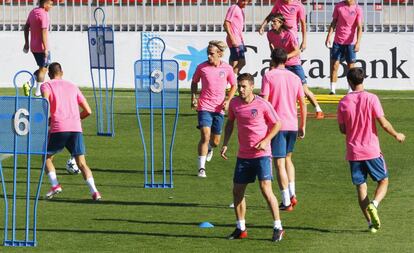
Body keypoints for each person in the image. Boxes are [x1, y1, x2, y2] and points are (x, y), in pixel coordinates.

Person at [337, 67, 405, 233]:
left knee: (361, 188)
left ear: (349, 82)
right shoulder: (372, 98)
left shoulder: (343, 102)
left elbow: (343, 129)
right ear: (363, 80)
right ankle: (374, 204)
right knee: (384, 181)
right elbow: (383, 123)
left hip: (354, 152)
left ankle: (370, 224)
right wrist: (396, 134)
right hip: (371, 150)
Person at [221, 73, 284, 242]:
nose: (240, 89)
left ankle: (278, 226)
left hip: (262, 155)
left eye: (243, 86)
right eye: (239, 86)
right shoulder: (234, 104)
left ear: (251, 87)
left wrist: (266, 140)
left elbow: (277, 123)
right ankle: (241, 228)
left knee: (265, 189)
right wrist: (225, 143)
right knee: (237, 192)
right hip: (243, 155)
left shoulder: (262, 104)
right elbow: (230, 123)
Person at [41, 62, 102, 201]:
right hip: (75, 128)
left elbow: (44, 102)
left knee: (46, 157)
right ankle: (95, 192)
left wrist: (48, 119)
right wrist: (75, 118)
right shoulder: (73, 86)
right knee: (82, 164)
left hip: (58, 127)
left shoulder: (47, 85)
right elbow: (88, 111)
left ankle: (55, 185)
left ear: (49, 74)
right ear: (62, 72)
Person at [260, 48, 307, 211]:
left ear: (272, 59)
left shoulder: (268, 76)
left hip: (277, 125)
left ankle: (286, 200)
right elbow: (302, 102)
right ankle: (292, 193)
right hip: (292, 124)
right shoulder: (295, 77)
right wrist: (303, 125)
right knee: (288, 159)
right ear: (286, 60)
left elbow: (264, 102)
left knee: (279, 163)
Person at [191, 40, 237, 178]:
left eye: (211, 54)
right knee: (205, 135)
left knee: (216, 141)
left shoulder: (227, 69)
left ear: (220, 54)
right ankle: (201, 168)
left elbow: (234, 85)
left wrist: (228, 100)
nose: (209, 57)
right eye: (208, 54)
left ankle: (210, 148)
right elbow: (194, 82)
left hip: (219, 108)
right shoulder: (201, 67)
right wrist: (193, 97)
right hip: (204, 106)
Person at [267, 13, 324, 119]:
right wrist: (274, 58)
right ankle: (272, 110)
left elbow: (297, 51)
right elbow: (271, 45)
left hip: (294, 64)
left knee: (304, 90)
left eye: (274, 21)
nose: (272, 24)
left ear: (280, 23)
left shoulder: (289, 34)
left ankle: (318, 109)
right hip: (281, 65)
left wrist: (283, 57)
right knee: (276, 88)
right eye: (271, 21)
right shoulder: (270, 34)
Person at [325, 0, 363, 95]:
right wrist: (328, 36)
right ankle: (332, 90)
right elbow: (334, 22)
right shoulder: (339, 6)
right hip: (338, 41)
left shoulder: (357, 9)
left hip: (350, 42)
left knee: (351, 68)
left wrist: (358, 42)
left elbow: (359, 27)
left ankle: (350, 90)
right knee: (334, 65)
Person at [23, 0, 53, 97]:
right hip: (41, 46)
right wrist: (45, 48)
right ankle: (37, 91)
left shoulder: (33, 12)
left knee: (42, 67)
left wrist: (27, 43)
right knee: (44, 68)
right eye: (50, 4)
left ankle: (29, 83)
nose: (51, 7)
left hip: (33, 46)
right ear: (45, 4)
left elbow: (26, 27)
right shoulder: (44, 14)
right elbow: (44, 31)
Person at [223, 0, 249, 75]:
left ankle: (230, 80)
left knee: (234, 62)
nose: (245, 3)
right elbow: (226, 23)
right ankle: (232, 79)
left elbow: (239, 29)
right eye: (244, 1)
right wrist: (232, 38)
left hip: (238, 39)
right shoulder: (234, 8)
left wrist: (242, 42)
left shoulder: (240, 10)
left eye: (247, 1)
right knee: (242, 62)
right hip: (235, 39)